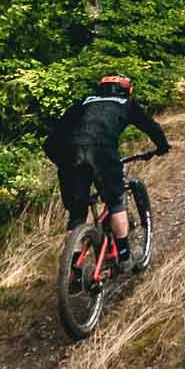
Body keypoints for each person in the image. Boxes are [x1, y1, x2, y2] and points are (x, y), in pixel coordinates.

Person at [44, 74, 168, 270]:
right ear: (128, 91)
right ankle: (124, 256)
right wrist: (162, 146)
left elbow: (51, 140)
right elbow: (151, 127)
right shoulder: (127, 103)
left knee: (77, 215)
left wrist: (62, 162)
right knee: (116, 202)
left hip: (69, 154)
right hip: (102, 153)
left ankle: (73, 270)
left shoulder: (82, 103)